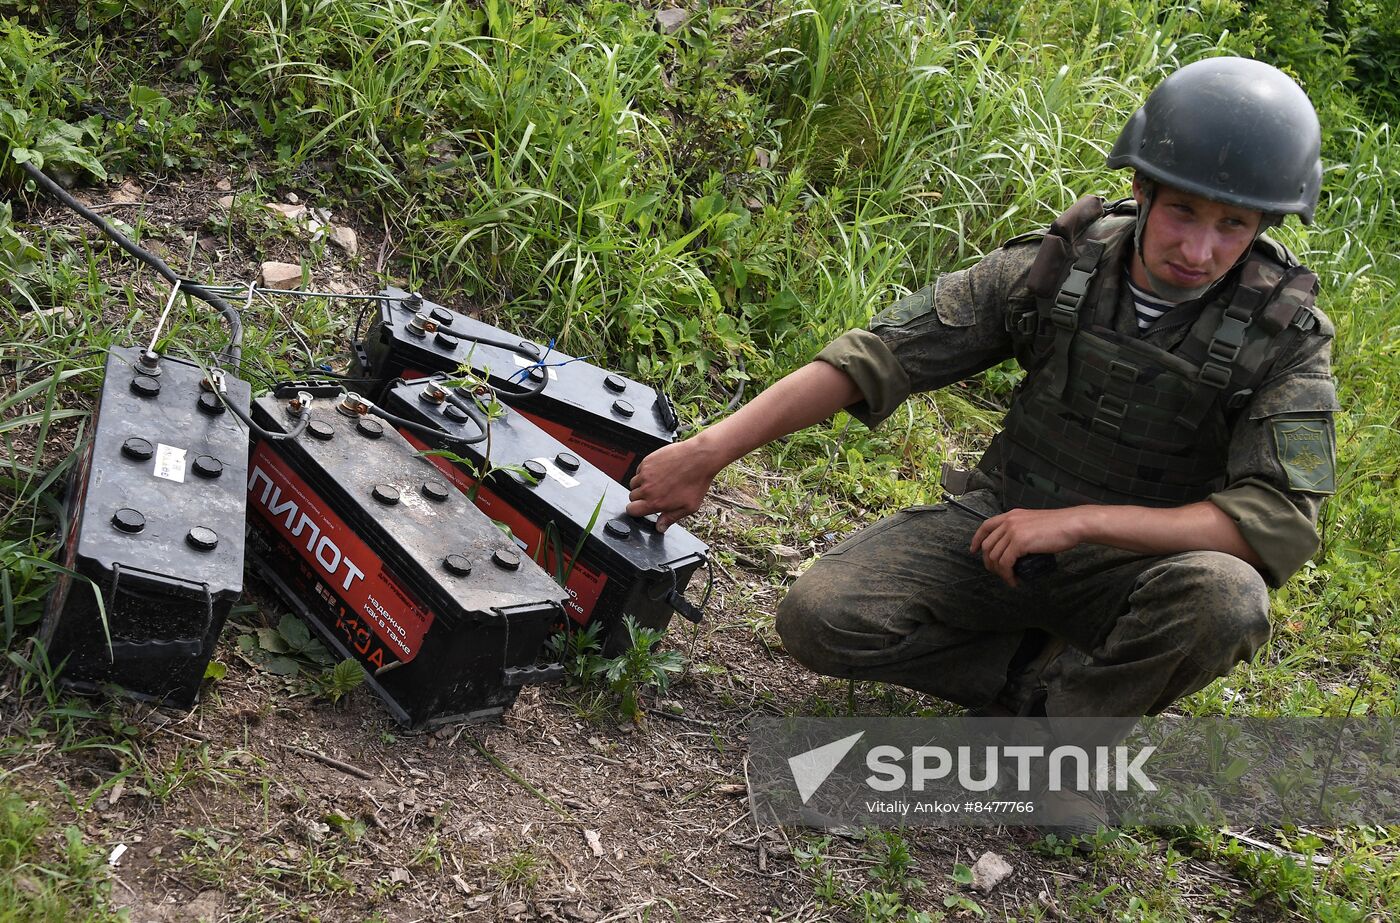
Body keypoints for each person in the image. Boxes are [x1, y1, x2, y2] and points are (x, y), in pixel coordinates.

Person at [625, 57, 1337, 829]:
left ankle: (1053, 744)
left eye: (1232, 225)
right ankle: (1030, 680)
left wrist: (1083, 523)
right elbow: (877, 355)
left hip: (1139, 571)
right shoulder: (1061, 265)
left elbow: (1277, 520)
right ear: (1141, 191)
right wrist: (709, 451)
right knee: (819, 615)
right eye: (1183, 214)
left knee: (1228, 597)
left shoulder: (1285, 337)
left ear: (1264, 226)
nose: (1200, 249)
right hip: (1003, 526)